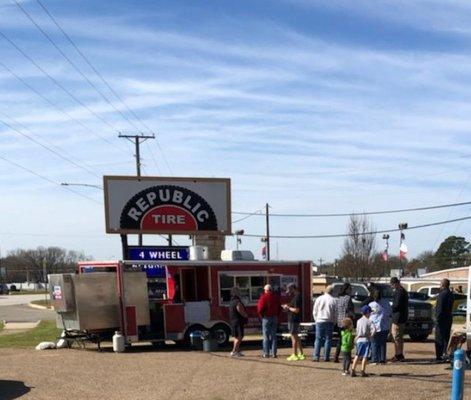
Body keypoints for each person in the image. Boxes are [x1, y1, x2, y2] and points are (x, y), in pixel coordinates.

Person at [313, 285, 337, 362]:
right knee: (328, 339)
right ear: (332, 291)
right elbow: (335, 313)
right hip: (329, 321)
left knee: (318, 339)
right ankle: (326, 357)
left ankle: (316, 356)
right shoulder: (333, 300)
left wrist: (316, 319)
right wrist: (334, 321)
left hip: (319, 320)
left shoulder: (319, 298)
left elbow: (315, 310)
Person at [282, 283, 306, 361]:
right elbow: (295, 307)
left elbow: (296, 310)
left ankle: (295, 354)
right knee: (297, 337)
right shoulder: (297, 296)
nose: (289, 292)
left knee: (293, 337)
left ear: (293, 289)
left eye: (290, 290)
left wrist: (288, 307)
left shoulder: (297, 297)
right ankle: (301, 353)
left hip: (293, 320)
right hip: (295, 320)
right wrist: (288, 306)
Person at [257, 284, 281, 358]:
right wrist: (277, 315)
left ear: (266, 290)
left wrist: (261, 316)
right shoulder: (276, 297)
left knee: (266, 336)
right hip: (274, 317)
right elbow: (280, 308)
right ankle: (274, 353)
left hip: (266, 318)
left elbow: (260, 308)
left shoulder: (263, 297)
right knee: (274, 336)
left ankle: (266, 353)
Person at [351, 305, 375, 377]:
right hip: (366, 339)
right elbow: (374, 329)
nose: (370, 314)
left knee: (357, 355)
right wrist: (371, 336)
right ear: (367, 312)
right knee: (365, 356)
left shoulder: (358, 321)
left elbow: (357, 331)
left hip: (359, 339)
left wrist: (356, 338)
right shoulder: (369, 321)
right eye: (370, 312)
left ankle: (353, 370)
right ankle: (362, 371)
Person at [369, 289, 391, 364]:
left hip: (374, 327)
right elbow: (389, 313)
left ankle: (375, 359)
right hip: (384, 326)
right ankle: (382, 359)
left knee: (374, 343)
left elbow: (368, 315)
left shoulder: (371, 304)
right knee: (382, 344)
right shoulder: (386, 303)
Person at [334, 283, 354, 363]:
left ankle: (336, 356)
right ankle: (347, 357)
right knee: (348, 340)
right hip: (346, 322)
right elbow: (350, 310)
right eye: (350, 289)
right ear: (346, 289)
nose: (351, 290)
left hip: (339, 322)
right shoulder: (348, 298)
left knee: (341, 340)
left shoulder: (338, 298)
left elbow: (336, 310)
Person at [435, 278, 454, 362]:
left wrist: (437, 319)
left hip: (441, 319)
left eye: (440, 284)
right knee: (446, 337)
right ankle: (445, 354)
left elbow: (439, 308)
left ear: (442, 285)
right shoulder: (450, 294)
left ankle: (439, 356)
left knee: (439, 338)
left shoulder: (442, 294)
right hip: (448, 317)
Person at [390, 277, 409, 362]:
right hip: (402, 317)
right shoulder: (403, 291)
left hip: (398, 317)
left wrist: (391, 307)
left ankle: (398, 354)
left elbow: (396, 305)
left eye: (392, 284)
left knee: (396, 337)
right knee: (400, 337)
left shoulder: (399, 292)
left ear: (396, 283)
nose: (392, 286)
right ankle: (400, 354)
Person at [229, 287, 248, 357]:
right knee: (240, 336)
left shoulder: (231, 301)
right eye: (238, 291)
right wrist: (245, 315)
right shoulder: (237, 302)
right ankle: (234, 351)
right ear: (235, 293)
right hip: (238, 321)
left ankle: (237, 351)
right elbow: (240, 310)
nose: (239, 292)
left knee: (236, 336)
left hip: (233, 321)